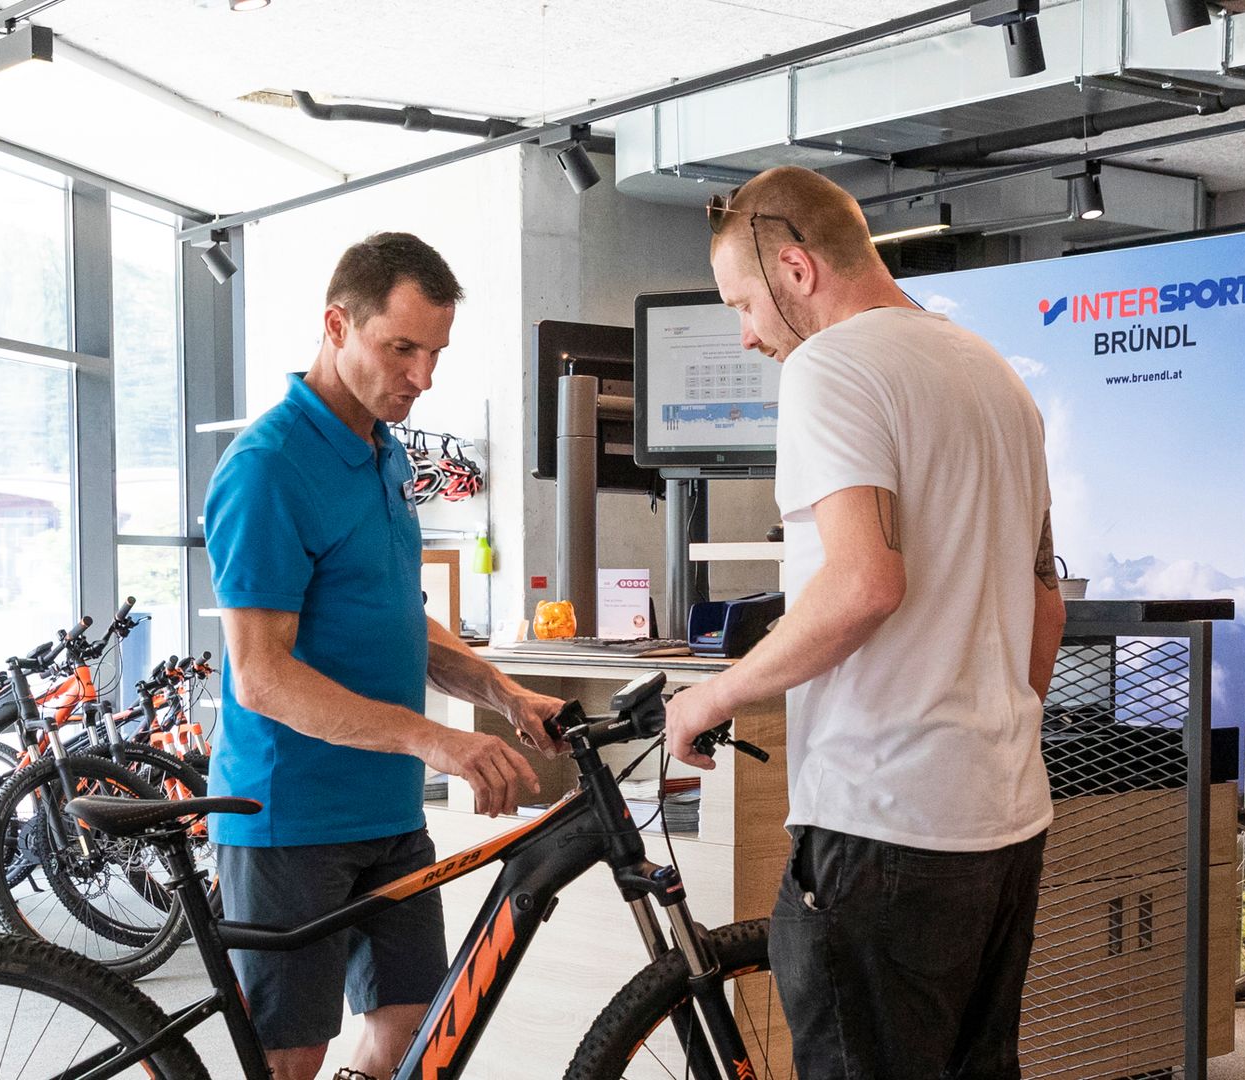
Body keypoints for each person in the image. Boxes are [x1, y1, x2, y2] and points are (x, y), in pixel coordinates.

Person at [663, 166, 1067, 1080]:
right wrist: (987, 732)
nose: (747, 333)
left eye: (743, 302)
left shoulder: (830, 366)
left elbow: (862, 584)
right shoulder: (997, 376)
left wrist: (709, 697)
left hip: (883, 825)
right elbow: (1046, 600)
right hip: (1002, 821)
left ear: (797, 270)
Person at [204, 231, 567, 1080]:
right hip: (288, 817)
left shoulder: (385, 451)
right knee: (291, 1056)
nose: (422, 376)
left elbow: (401, 616)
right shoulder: (267, 469)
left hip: (388, 812)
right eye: (400, 348)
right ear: (337, 325)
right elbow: (262, 675)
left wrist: (505, 694)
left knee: (416, 1031)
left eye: (434, 352)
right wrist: (438, 741)